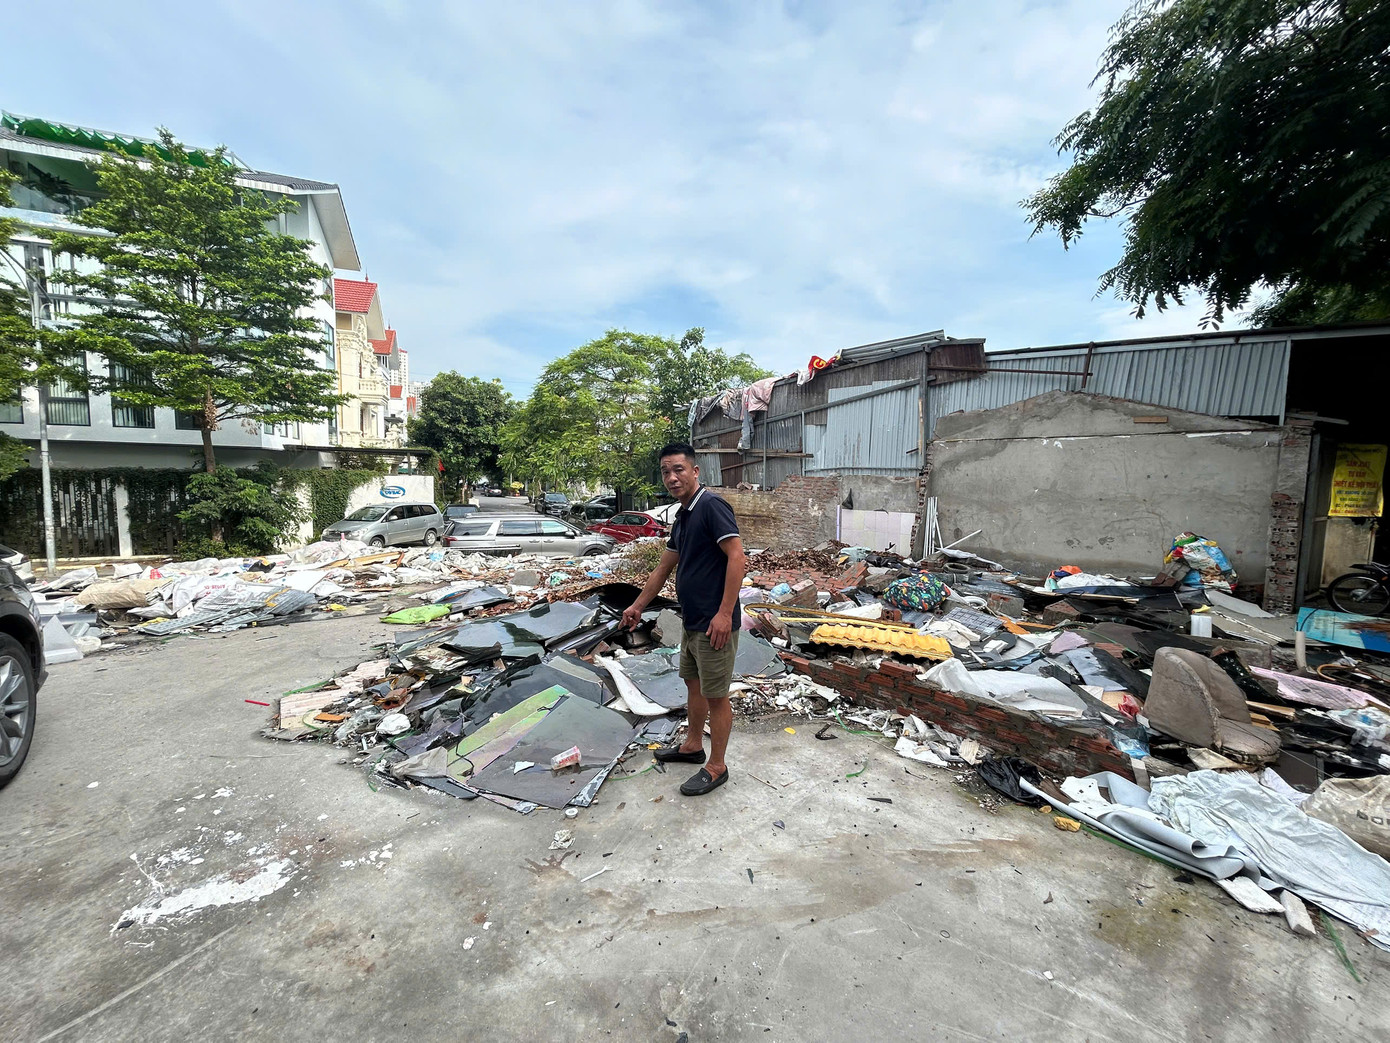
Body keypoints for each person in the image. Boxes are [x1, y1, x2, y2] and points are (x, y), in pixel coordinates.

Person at [620, 443, 746, 795]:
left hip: (714, 623)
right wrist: (638, 605)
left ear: (695, 471)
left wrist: (724, 614)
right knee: (694, 684)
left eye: (678, 469)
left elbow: (737, 558)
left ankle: (717, 766)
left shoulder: (711, 506)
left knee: (717, 695)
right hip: (692, 620)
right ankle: (693, 746)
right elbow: (664, 566)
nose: (672, 477)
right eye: (665, 471)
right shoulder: (684, 515)